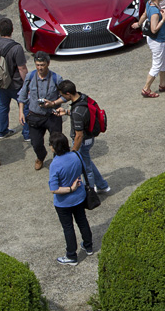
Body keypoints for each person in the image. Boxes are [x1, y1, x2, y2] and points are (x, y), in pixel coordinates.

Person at [55, 79, 111, 194]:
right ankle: (102, 185)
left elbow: (79, 136)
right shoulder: (82, 97)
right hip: (90, 138)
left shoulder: (77, 112)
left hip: (83, 141)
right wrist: (66, 112)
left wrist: (73, 152)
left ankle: (90, 191)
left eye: (62, 95)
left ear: (68, 94)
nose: (62, 98)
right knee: (87, 161)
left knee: (86, 168)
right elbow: (84, 115)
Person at [47, 133, 94, 266]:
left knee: (68, 228)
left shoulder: (55, 164)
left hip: (64, 202)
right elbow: (83, 171)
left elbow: (54, 189)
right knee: (82, 221)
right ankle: (88, 246)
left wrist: (70, 189)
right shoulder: (76, 155)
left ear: (54, 147)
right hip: (79, 197)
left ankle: (71, 256)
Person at [18, 51, 64, 169]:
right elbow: (22, 95)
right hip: (35, 116)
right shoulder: (30, 77)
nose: (40, 68)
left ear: (48, 63)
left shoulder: (56, 78)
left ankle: (57, 162)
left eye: (42, 65)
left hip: (51, 115)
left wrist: (53, 103)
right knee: (36, 143)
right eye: (37, 65)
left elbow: (66, 96)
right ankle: (41, 157)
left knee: (57, 142)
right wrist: (21, 112)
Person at [0, 18, 28, 140]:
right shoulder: (16, 48)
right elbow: (22, 68)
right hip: (16, 84)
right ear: (12, 30)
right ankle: (27, 133)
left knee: (3, 105)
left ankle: (2, 131)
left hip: (0, 82)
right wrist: (27, 84)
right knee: (25, 106)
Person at [140, 0, 165, 99]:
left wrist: (139, 24)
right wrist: (163, 19)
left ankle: (163, 84)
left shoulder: (150, 2)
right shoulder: (155, 11)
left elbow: (144, 14)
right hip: (157, 40)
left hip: (156, 40)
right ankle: (146, 88)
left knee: (164, 60)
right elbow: (154, 29)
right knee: (157, 64)